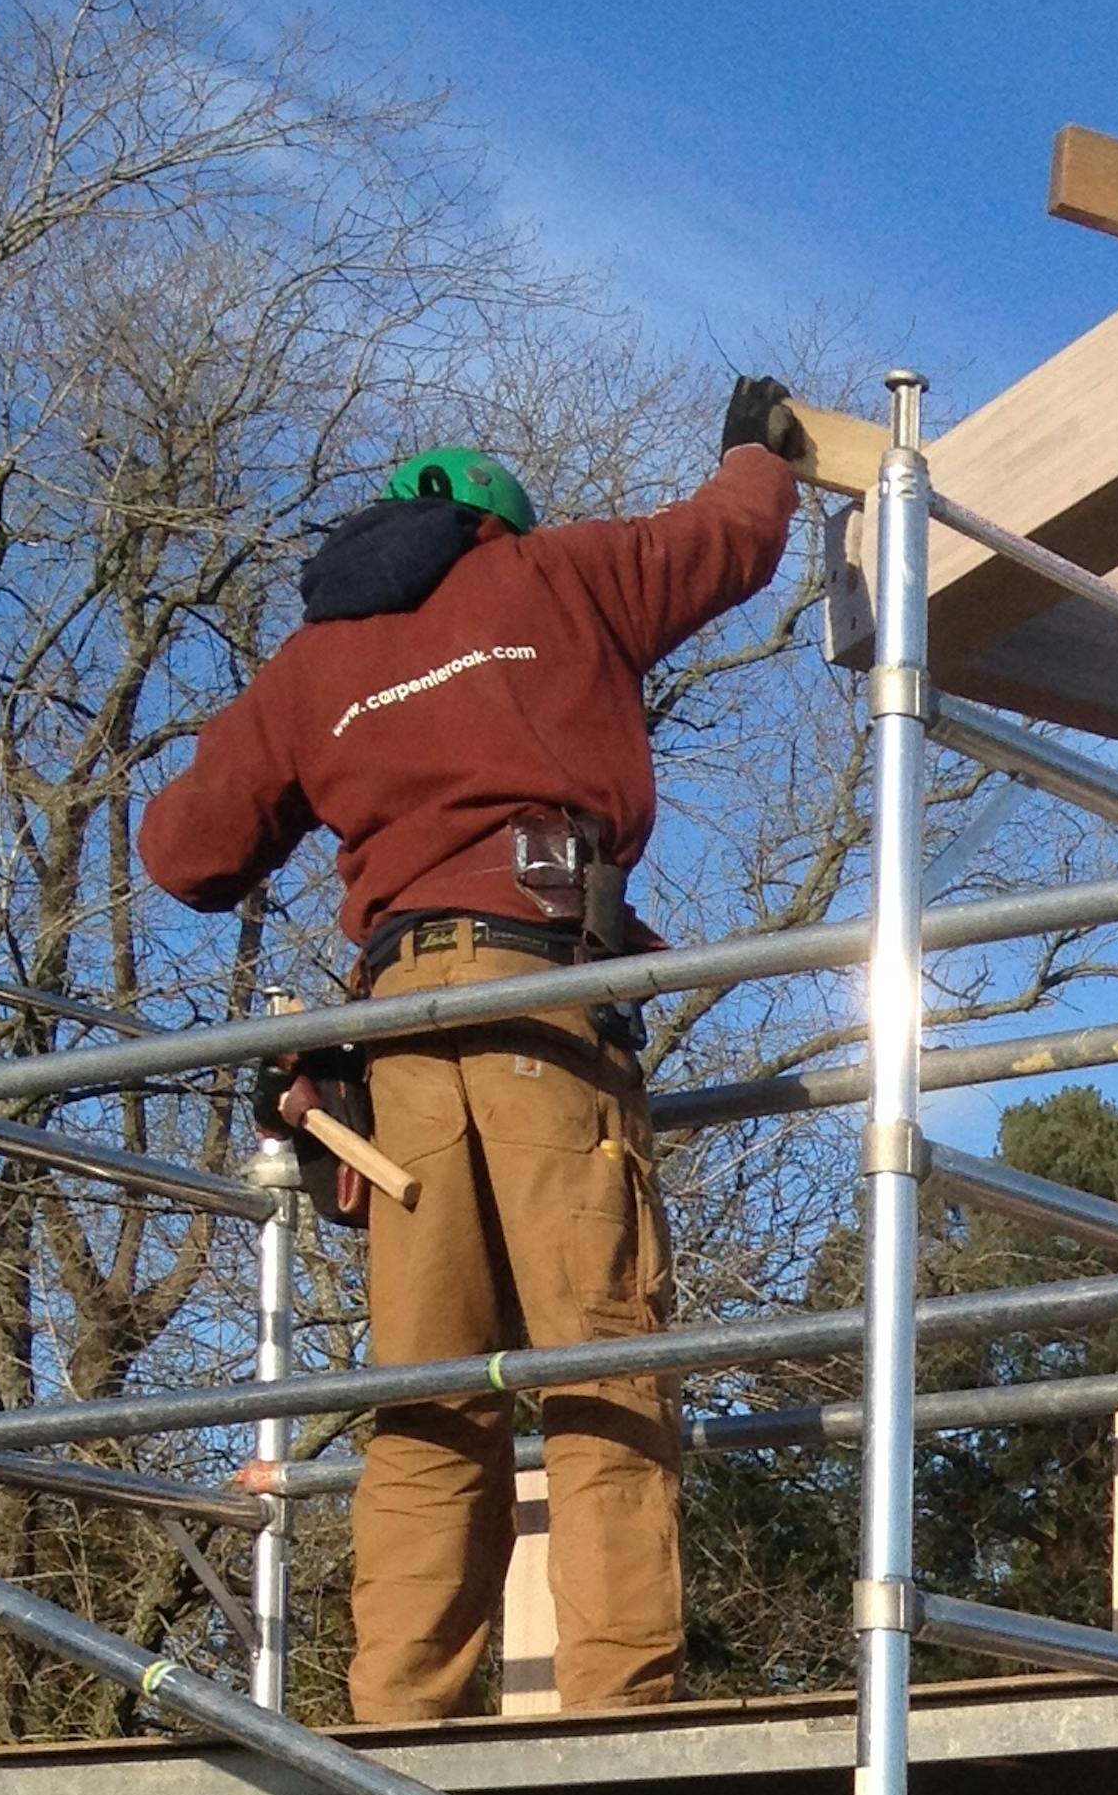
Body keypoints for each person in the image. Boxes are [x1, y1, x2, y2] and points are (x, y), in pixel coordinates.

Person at [138, 385, 816, 1724]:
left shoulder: (312, 665)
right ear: (496, 527)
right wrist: (759, 453)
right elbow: (727, 540)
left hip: (396, 1039)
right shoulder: (553, 577)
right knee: (596, 1359)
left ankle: (399, 1710)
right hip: (533, 1002)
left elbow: (185, 853)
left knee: (430, 1389)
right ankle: (620, 1705)